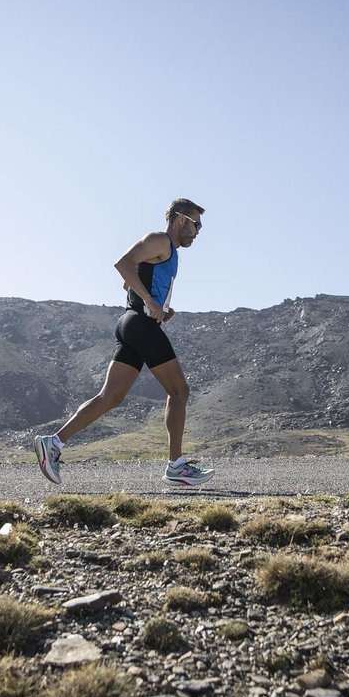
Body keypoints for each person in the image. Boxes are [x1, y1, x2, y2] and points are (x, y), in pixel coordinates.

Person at [35, 199, 215, 487]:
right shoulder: (160, 240)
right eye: (197, 224)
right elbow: (122, 264)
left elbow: (129, 280)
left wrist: (159, 307)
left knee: (111, 398)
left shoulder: (167, 253)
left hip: (137, 322)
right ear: (181, 219)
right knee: (179, 391)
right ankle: (176, 466)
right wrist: (147, 301)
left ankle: (54, 442)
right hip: (139, 323)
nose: (198, 231)